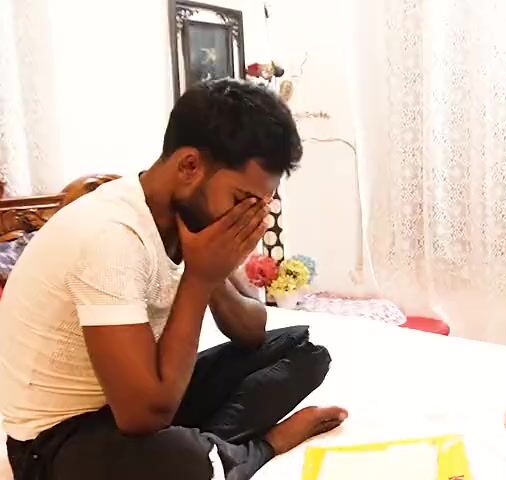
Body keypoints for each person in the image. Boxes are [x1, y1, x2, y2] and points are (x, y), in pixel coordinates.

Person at [0, 79, 347, 480]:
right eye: (241, 200)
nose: (248, 216)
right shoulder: (110, 235)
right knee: (183, 459)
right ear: (189, 166)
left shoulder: (188, 216)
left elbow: (251, 332)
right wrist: (198, 279)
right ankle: (251, 450)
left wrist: (214, 272)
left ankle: (212, 453)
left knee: (303, 352)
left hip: (135, 401)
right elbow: (143, 416)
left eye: (260, 203)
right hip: (53, 443)